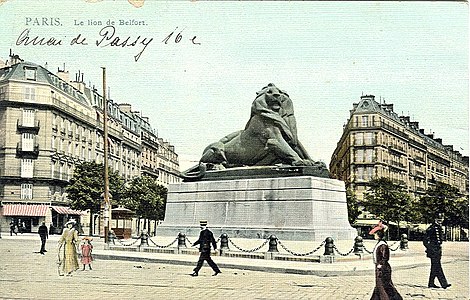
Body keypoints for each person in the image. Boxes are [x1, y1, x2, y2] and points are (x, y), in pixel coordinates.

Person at [369, 221, 403, 300]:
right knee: (381, 285)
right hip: (379, 267)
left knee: (383, 285)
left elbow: (385, 257)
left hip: (382, 268)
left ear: (378, 235)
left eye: (375, 234)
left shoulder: (383, 245)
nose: (374, 236)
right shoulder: (380, 243)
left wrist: (380, 265)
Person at [423, 213, 451, 289]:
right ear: (435, 219)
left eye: (441, 220)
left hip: (438, 249)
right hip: (433, 250)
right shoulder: (431, 228)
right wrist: (430, 248)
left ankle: (431, 283)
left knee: (435, 267)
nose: (440, 221)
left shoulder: (439, 227)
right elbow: (425, 240)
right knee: (437, 266)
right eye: (438, 220)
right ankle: (444, 284)